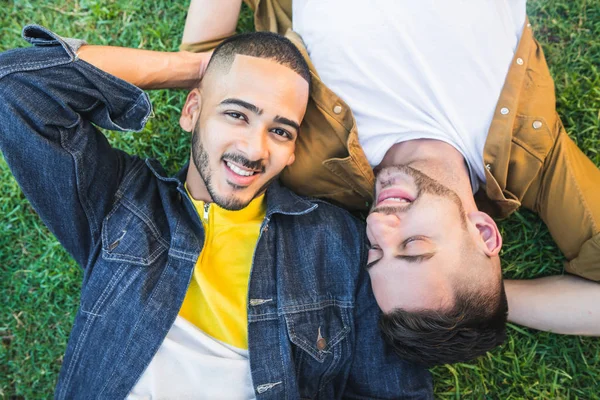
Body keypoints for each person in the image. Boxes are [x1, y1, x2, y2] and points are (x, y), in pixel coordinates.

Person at [0, 26, 432, 398]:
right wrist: (194, 68)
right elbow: (16, 89)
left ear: (293, 149)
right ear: (192, 111)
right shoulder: (122, 201)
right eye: (236, 114)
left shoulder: (337, 243)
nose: (253, 149)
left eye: (280, 131)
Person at [180, 0, 600, 366]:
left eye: (376, 254)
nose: (378, 226)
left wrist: (466, 293)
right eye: (415, 247)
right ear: (484, 232)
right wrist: (487, 300)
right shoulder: (531, 157)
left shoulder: (308, 162)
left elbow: (210, 64)